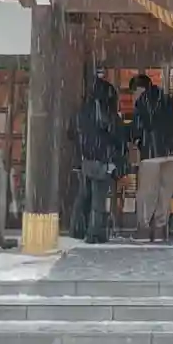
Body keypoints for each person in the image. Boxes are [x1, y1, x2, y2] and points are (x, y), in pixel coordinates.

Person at [128, 74, 173, 242]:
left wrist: (137, 141)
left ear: (139, 89)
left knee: (147, 193)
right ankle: (160, 228)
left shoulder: (142, 102)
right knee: (165, 193)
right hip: (170, 154)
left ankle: (144, 229)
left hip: (151, 153)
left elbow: (137, 128)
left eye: (133, 92)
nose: (133, 96)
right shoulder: (170, 100)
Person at [72, 76, 124, 245]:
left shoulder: (83, 111)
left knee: (83, 196)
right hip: (103, 159)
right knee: (99, 199)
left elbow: (71, 132)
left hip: (86, 158)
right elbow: (117, 136)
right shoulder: (107, 113)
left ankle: (78, 229)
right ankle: (95, 233)